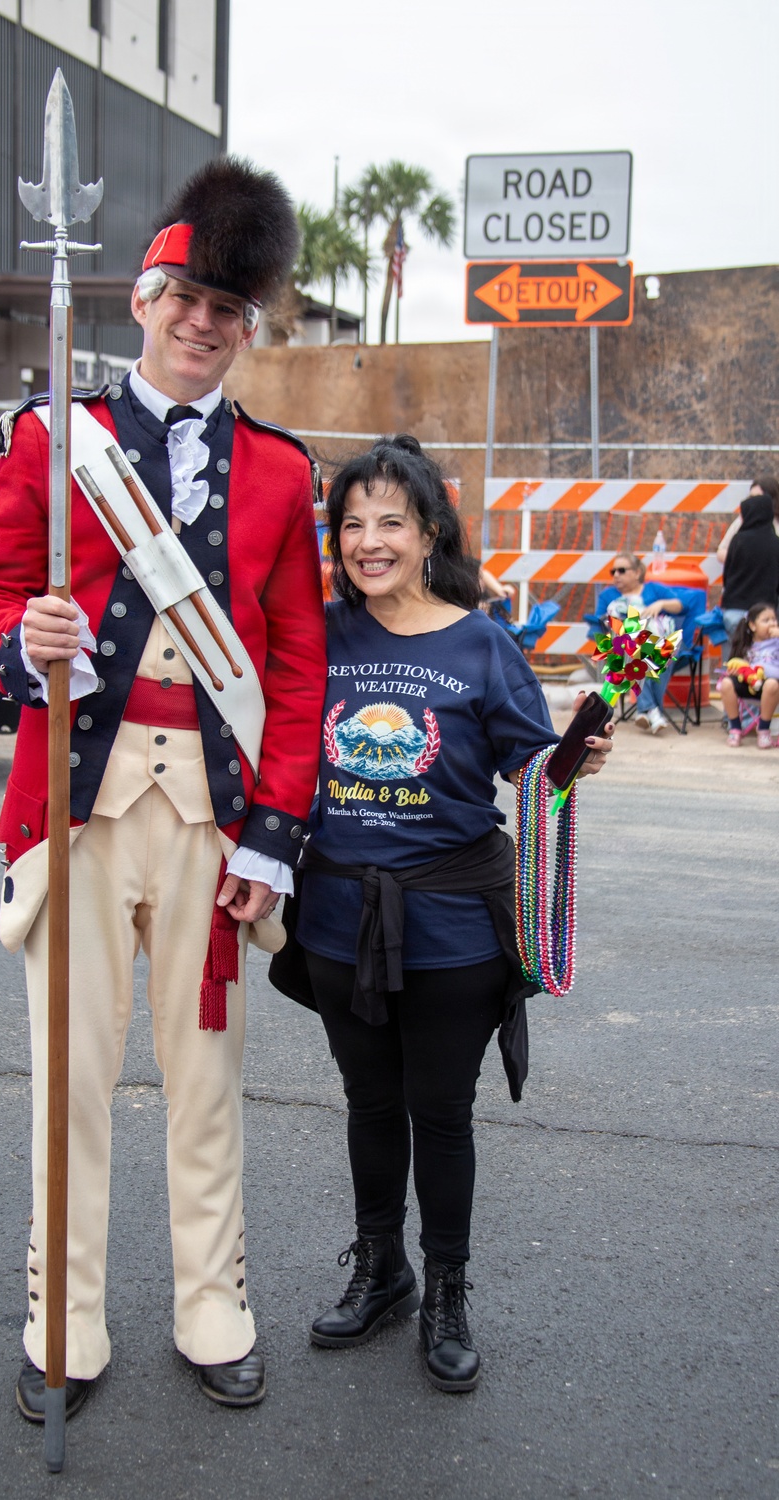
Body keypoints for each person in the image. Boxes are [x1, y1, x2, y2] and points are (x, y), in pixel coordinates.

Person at [0, 158, 326, 1417]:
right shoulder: (54, 440)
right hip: (76, 808)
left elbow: (291, 662)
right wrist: (23, 642)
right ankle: (63, 1318)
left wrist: (274, 832)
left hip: (213, 820)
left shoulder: (280, 471)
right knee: (70, 1078)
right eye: (185, 298)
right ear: (141, 297)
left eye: (229, 309)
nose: (203, 325)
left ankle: (212, 1303)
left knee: (206, 1073)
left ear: (246, 325)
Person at [274, 436, 613, 1393]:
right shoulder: (320, 634)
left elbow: (531, 772)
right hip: (339, 920)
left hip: (455, 929)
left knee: (441, 1113)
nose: (369, 541)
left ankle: (450, 1288)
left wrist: (574, 762)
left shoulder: (481, 643)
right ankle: (383, 1269)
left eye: (391, 522)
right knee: (369, 1103)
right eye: (352, 524)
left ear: (429, 534)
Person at [594, 553, 683, 735]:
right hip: (626, 647)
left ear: (637, 572)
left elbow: (679, 606)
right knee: (633, 653)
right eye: (613, 571)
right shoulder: (608, 596)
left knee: (660, 654)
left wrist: (661, 604)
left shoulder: (653, 589)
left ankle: (646, 710)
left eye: (622, 570)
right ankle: (652, 711)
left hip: (659, 642)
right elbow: (602, 624)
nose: (616, 575)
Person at [719, 492, 779, 640]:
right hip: (764, 616)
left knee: (734, 659)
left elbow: (727, 576)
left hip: (734, 611)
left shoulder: (738, 540)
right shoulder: (776, 543)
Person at [719, 602, 779, 748]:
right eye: (766, 620)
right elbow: (735, 664)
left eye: (774, 619)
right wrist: (734, 671)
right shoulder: (744, 644)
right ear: (752, 626)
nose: (772, 623)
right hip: (749, 684)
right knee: (726, 683)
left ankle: (764, 730)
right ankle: (735, 728)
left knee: (771, 684)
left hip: (772, 687)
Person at [715, 478, 779, 567]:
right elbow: (721, 551)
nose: (753, 502)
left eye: (759, 498)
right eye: (751, 497)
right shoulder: (741, 521)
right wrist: (742, 559)